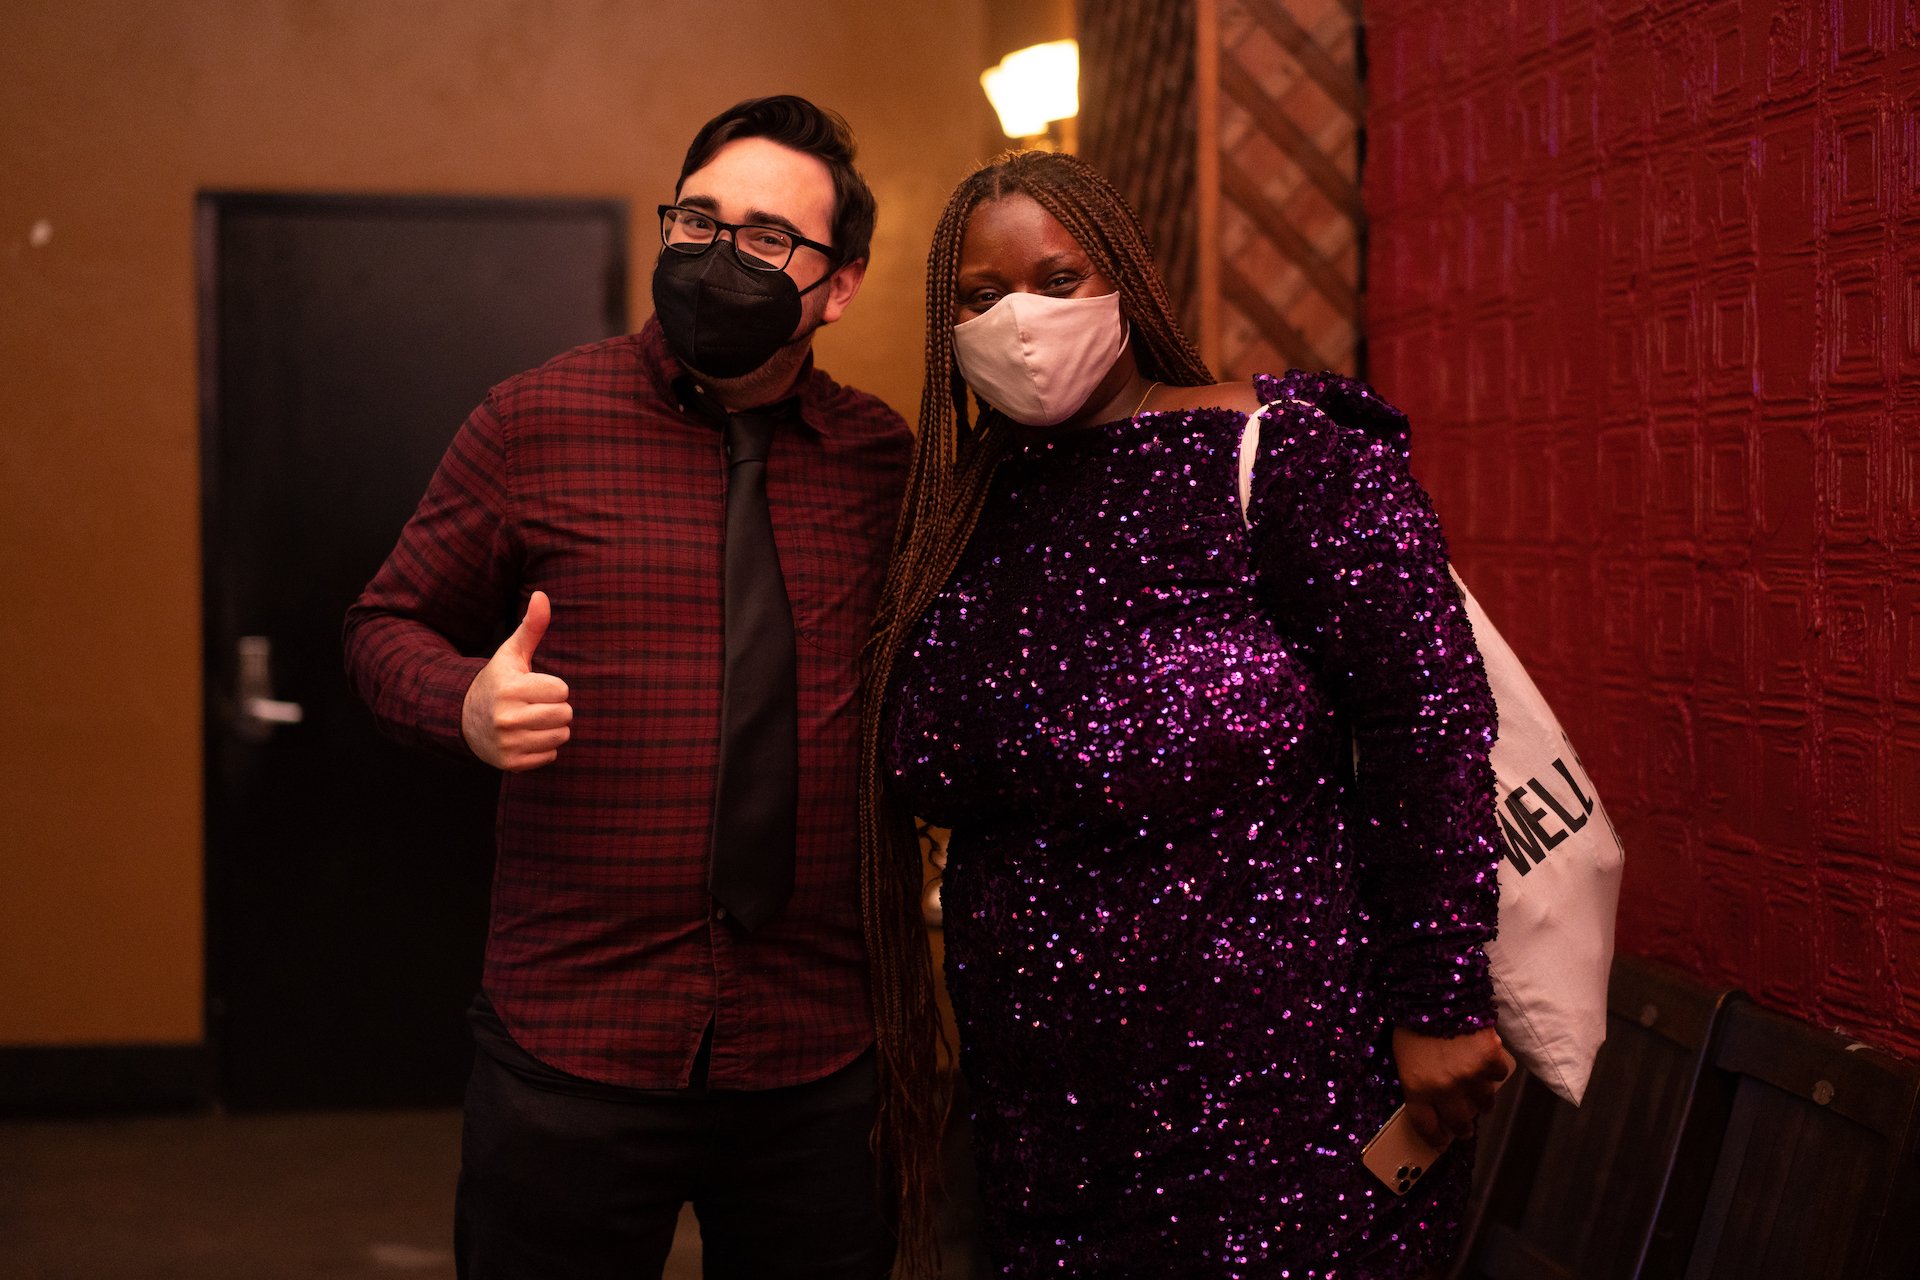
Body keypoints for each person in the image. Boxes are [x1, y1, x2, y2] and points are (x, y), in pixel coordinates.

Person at [858, 150, 1514, 1278]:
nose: (1022, 316)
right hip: (1044, 1128)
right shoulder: (962, 514)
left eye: (1059, 280)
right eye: (981, 295)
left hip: (1284, 1102)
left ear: (1126, 283)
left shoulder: (1289, 456)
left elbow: (1430, 729)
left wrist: (1442, 998)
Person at [344, 96, 921, 1280]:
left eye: (766, 238)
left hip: (814, 1050)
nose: (719, 256)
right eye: (696, 219)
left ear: (842, 283)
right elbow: (380, 623)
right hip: (576, 1038)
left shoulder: (885, 463)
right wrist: (459, 700)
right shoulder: (537, 419)